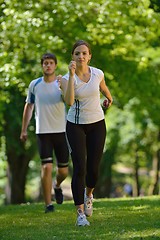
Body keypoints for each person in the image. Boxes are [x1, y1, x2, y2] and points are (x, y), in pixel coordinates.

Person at [61, 40, 113, 226]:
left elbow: (103, 87)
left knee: (93, 169)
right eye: (77, 53)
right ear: (72, 57)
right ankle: (80, 214)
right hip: (75, 125)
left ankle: (89, 195)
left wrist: (109, 97)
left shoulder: (98, 73)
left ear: (89, 56)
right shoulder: (68, 78)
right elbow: (68, 101)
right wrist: (71, 73)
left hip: (97, 124)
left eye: (84, 53)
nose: (81, 56)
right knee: (80, 168)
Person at [20, 53, 69, 213]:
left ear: (55, 65)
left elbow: (70, 100)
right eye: (45, 63)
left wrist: (65, 85)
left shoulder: (61, 83)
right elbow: (29, 107)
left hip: (61, 131)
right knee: (46, 167)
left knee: (63, 171)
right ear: (42, 66)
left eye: (51, 63)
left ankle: (57, 185)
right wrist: (24, 129)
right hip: (43, 133)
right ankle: (48, 204)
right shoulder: (35, 85)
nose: (48, 65)